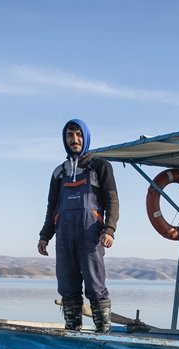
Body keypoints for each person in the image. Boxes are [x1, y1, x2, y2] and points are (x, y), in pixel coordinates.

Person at [38, 118, 119, 332]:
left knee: (95, 286)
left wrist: (109, 229)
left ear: (86, 137)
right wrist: (45, 235)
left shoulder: (100, 166)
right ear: (65, 139)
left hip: (91, 235)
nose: (75, 139)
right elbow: (52, 206)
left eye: (79, 135)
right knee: (67, 286)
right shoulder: (59, 172)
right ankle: (72, 331)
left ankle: (103, 333)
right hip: (64, 236)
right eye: (70, 135)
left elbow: (112, 200)